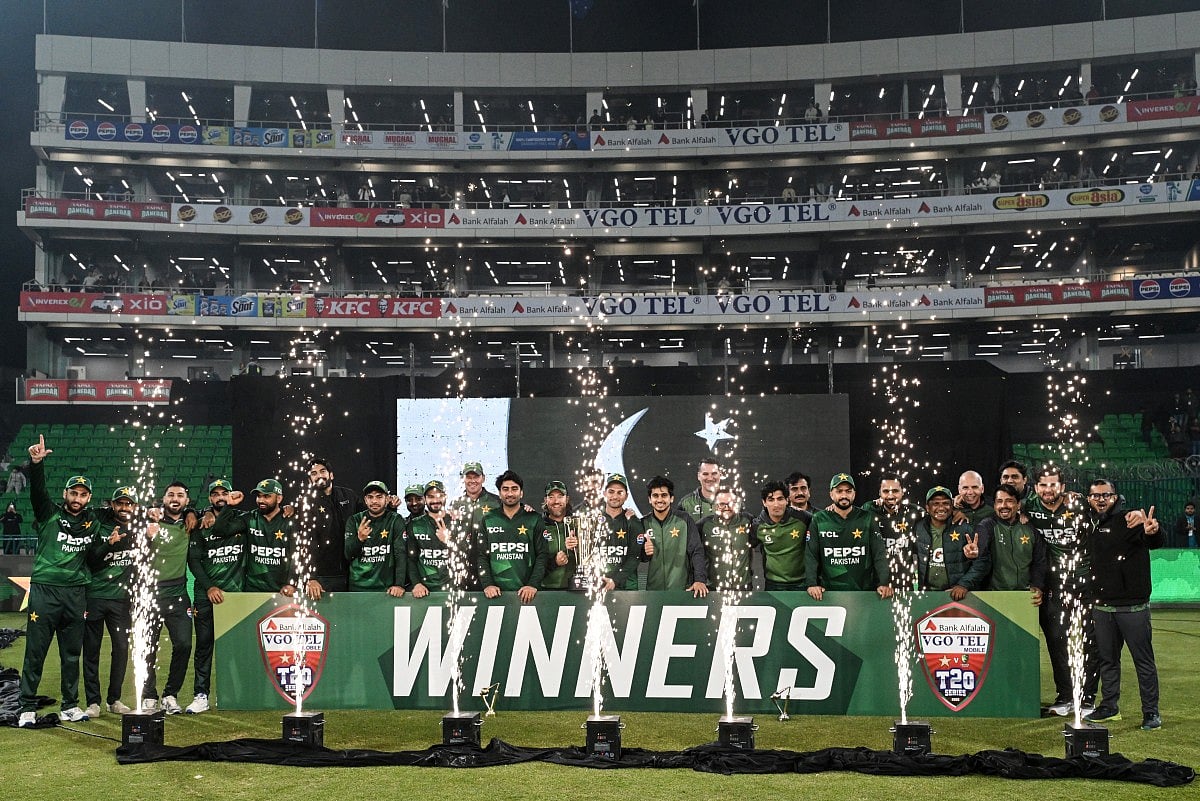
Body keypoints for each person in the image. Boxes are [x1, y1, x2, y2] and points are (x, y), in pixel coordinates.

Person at [17, 435, 103, 727]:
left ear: (88, 498)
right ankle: (27, 706)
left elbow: (120, 513)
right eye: (73, 493)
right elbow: (37, 491)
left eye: (82, 495)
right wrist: (36, 463)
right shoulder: (49, 513)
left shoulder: (93, 521)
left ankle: (70, 705)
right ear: (65, 494)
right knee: (35, 651)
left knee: (70, 655)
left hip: (76, 594)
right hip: (45, 591)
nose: (77, 499)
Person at [1082, 479, 1163, 730]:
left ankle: (1151, 713)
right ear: (1089, 499)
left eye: (1106, 495)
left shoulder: (1132, 518)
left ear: (1115, 497)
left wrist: (1153, 531)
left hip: (1133, 607)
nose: (1101, 499)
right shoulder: (1088, 521)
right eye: (1095, 495)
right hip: (1102, 606)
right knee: (1107, 660)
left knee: (1143, 662)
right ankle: (1109, 706)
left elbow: (1154, 540)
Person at [1024, 465, 1095, 716]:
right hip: (1054, 586)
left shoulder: (1080, 505)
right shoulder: (1029, 507)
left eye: (1053, 484)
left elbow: (1107, 510)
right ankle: (1065, 697)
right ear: (1035, 488)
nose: (1048, 490)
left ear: (1063, 487)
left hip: (1085, 583)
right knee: (1057, 641)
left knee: (1089, 641)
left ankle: (1087, 699)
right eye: (1043, 485)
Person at [188, 478, 248, 715]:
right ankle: (201, 695)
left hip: (235, 597)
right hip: (206, 596)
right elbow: (194, 561)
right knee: (204, 647)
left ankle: (238, 695)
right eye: (216, 494)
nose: (220, 497)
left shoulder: (242, 519)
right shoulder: (201, 523)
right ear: (210, 498)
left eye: (225, 493)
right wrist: (210, 587)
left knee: (236, 648)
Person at [82, 487, 138, 719]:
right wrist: (109, 543)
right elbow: (91, 560)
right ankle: (93, 702)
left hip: (121, 601)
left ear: (134, 507)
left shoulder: (138, 529)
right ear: (112, 505)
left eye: (128, 504)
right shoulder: (98, 525)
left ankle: (114, 699)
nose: (124, 507)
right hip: (94, 596)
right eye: (120, 503)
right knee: (92, 651)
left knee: (122, 649)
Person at [141, 482, 197, 715]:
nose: (175, 498)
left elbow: (208, 512)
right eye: (171, 494)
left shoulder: (190, 522)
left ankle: (170, 695)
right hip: (150, 594)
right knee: (147, 648)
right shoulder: (148, 521)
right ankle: (148, 695)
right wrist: (147, 528)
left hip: (178, 594)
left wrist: (194, 514)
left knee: (184, 644)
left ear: (187, 501)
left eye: (180, 495)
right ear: (163, 499)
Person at [805, 473, 891, 600]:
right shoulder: (818, 520)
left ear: (854, 494)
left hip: (864, 592)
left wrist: (884, 582)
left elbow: (879, 553)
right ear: (831, 494)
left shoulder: (867, 518)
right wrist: (812, 584)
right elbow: (811, 555)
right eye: (839, 491)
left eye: (848, 491)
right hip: (829, 593)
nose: (844, 495)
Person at [478, 471, 548, 603]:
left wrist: (533, 584)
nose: (510, 493)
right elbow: (482, 556)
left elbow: (542, 555)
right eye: (505, 489)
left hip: (527, 594)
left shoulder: (534, 518)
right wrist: (487, 584)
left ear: (521, 493)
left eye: (514, 489)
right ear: (499, 493)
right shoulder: (488, 519)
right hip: (495, 595)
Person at [969, 484, 1046, 600]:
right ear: (994, 505)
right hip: (993, 596)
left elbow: (1039, 561)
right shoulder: (986, 526)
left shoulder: (1030, 528)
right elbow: (980, 558)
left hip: (1025, 597)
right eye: (999, 501)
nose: (1003, 506)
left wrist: (1037, 585)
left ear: (1018, 504)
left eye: (1009, 501)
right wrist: (975, 554)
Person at [912, 486, 988, 599]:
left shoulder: (964, 528)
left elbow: (983, 560)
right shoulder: (918, 527)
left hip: (958, 596)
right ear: (927, 507)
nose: (941, 508)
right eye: (936, 504)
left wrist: (963, 584)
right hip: (927, 595)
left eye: (945, 503)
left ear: (952, 506)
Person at [305, 457, 363, 598]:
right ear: (309, 480)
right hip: (322, 578)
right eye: (314, 473)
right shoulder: (306, 503)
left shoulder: (349, 495)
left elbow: (371, 515)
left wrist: (390, 507)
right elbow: (304, 542)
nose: (319, 475)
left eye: (322, 471)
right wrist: (311, 578)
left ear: (331, 475)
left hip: (352, 574)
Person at [641, 476, 708, 597]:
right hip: (653, 591)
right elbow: (638, 557)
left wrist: (700, 579)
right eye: (655, 496)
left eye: (664, 495)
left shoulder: (684, 520)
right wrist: (645, 553)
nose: (660, 499)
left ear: (671, 498)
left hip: (682, 590)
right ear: (649, 499)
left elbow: (696, 551)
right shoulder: (643, 523)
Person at [345, 481, 406, 595]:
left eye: (379, 497)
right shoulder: (354, 520)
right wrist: (359, 539)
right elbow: (348, 554)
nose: (374, 501)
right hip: (358, 588)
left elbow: (401, 554)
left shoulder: (395, 520)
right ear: (365, 500)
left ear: (387, 499)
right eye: (370, 497)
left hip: (386, 590)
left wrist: (399, 584)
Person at [750, 480, 808, 591]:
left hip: (802, 583)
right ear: (764, 502)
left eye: (780, 499)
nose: (776, 504)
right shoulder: (757, 526)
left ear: (787, 500)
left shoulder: (803, 518)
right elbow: (744, 548)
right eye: (771, 500)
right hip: (773, 584)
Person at [244, 478, 298, 595]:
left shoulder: (290, 521)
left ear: (279, 498)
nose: (261, 500)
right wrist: (206, 511)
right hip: (253, 589)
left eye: (267, 496)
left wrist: (292, 583)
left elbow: (296, 556)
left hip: (282, 590)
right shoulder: (250, 518)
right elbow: (221, 529)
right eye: (259, 496)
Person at [696, 487, 755, 591]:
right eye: (722, 504)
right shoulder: (704, 525)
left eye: (731, 503)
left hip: (743, 586)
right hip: (714, 587)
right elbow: (695, 554)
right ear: (715, 505)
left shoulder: (748, 520)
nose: (727, 507)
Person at [595, 473, 645, 591]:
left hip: (627, 589)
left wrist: (615, 580)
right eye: (611, 491)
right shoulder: (592, 521)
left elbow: (634, 557)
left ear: (627, 496)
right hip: (598, 586)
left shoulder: (634, 522)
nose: (615, 496)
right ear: (604, 493)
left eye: (620, 492)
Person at [407, 480, 455, 597]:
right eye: (430, 496)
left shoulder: (457, 522)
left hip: (453, 590)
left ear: (445, 496)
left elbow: (468, 556)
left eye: (439, 496)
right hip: (424, 590)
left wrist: (448, 541)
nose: (435, 500)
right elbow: (410, 559)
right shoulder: (414, 524)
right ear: (424, 499)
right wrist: (417, 584)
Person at [539, 480, 578, 591]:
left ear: (567, 499)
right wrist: (554, 562)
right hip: (545, 591)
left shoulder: (578, 525)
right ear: (546, 500)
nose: (556, 501)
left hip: (575, 591)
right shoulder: (538, 526)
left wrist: (578, 547)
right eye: (551, 497)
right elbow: (533, 565)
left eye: (560, 496)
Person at [862, 473, 917, 539]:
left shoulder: (915, 512)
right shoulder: (870, 510)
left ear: (902, 492)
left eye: (895, 491)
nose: (890, 496)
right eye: (886, 491)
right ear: (879, 492)